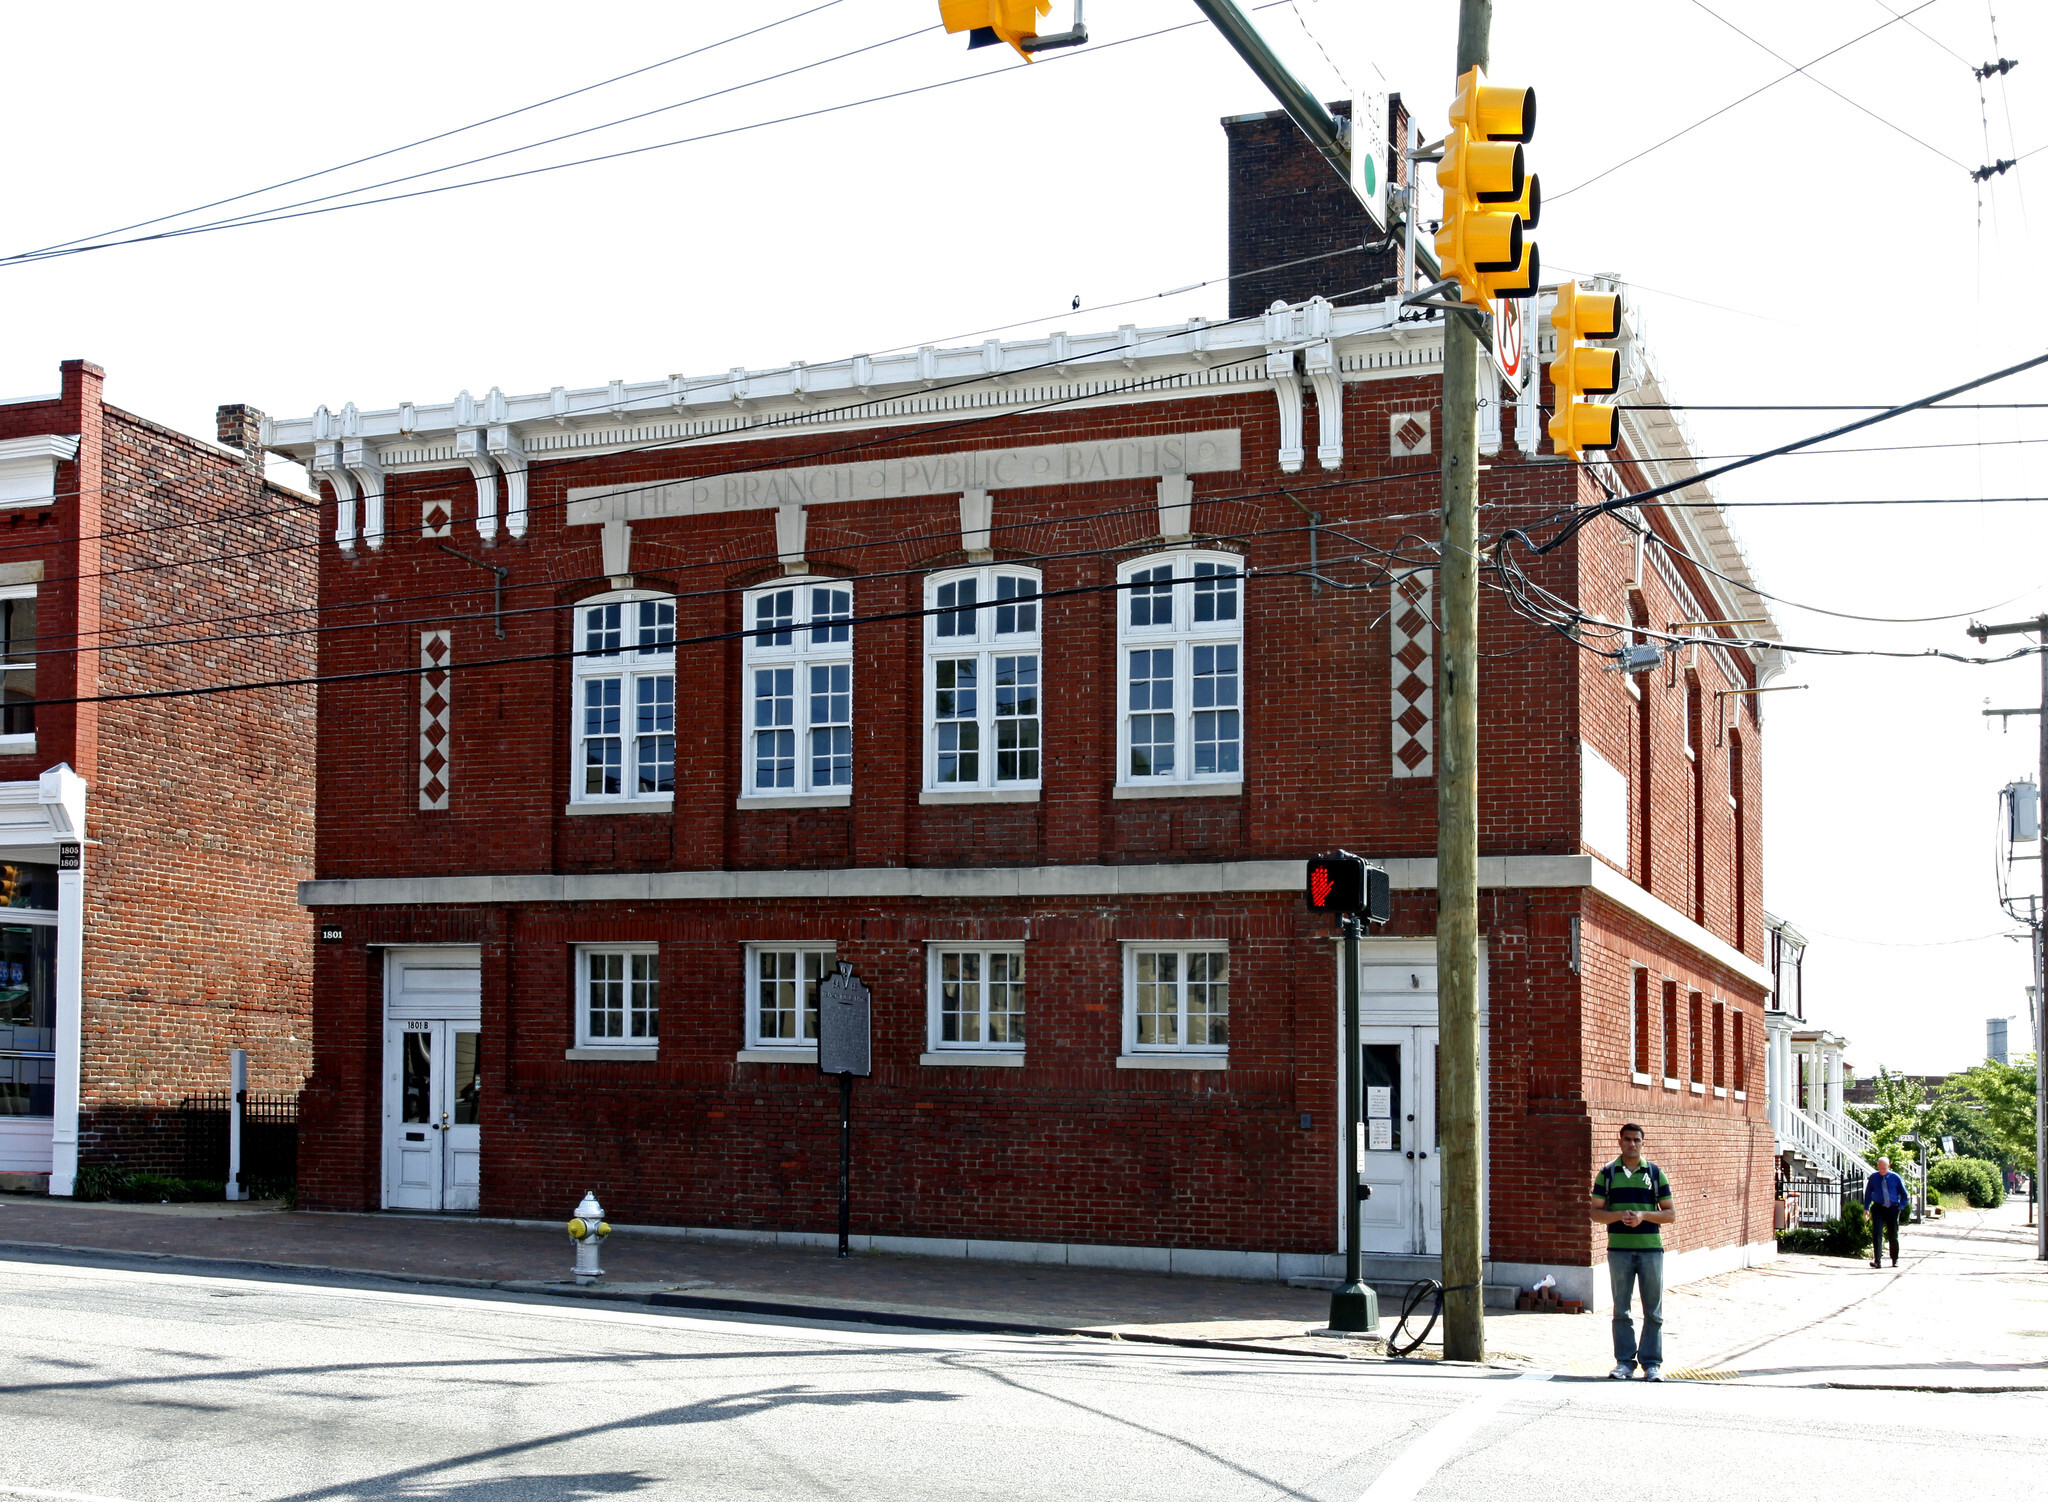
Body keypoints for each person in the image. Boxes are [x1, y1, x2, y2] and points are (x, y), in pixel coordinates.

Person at [1590, 1122, 1675, 1381]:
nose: (1632, 1144)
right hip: (1619, 1251)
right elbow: (1595, 1213)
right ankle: (1625, 1362)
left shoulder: (1655, 1173)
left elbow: (1670, 1214)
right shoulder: (1607, 1173)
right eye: (1627, 1139)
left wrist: (1643, 1216)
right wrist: (1619, 1216)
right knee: (1621, 1309)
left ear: (1642, 1143)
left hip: (1650, 1251)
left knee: (1653, 1309)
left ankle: (1651, 1364)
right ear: (1620, 1142)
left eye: (1637, 1140)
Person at [1865, 1156, 1908, 1268]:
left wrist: (1901, 1207)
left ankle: (1895, 1259)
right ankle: (1877, 1260)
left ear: (1889, 1166)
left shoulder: (1895, 1177)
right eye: (1880, 1167)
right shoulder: (1874, 1178)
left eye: (1884, 1168)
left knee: (1893, 1234)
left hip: (1892, 1208)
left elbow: (1904, 1194)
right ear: (1878, 1166)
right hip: (1878, 1207)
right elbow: (1868, 1193)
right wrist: (1866, 1208)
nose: (1882, 1170)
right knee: (1877, 1233)